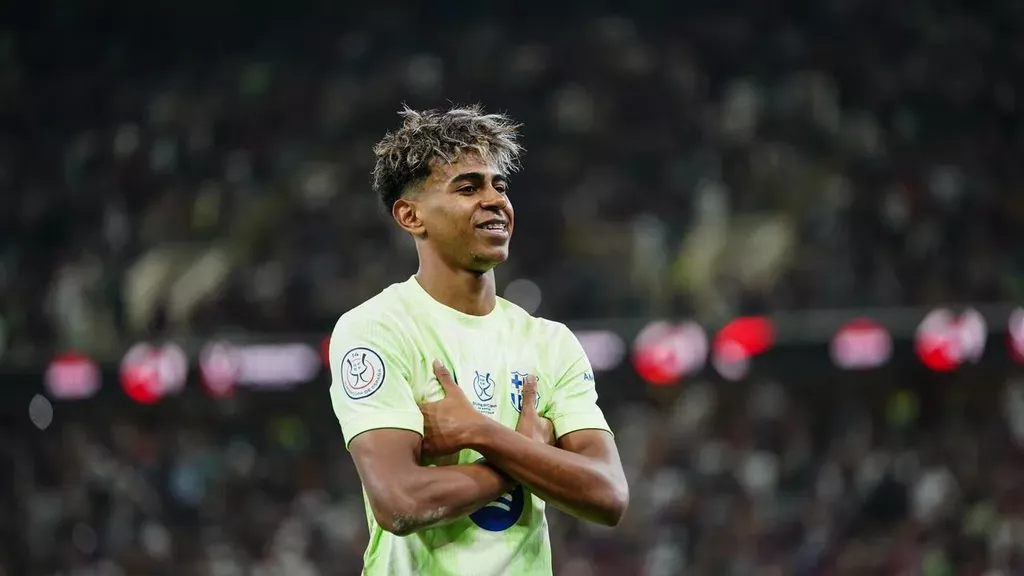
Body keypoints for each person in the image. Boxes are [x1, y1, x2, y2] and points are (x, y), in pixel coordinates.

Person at [328, 105, 629, 576]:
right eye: (468, 188)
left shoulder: (551, 343)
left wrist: (483, 433)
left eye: (499, 186)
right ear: (411, 216)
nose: (495, 200)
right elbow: (399, 501)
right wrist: (524, 456)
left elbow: (608, 495)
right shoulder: (376, 329)